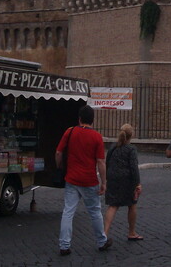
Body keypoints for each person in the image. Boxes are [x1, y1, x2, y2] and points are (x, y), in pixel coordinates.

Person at [56, 105, 111, 255]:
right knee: (95, 212)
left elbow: (59, 152)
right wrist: (104, 182)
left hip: (72, 179)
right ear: (92, 120)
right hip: (89, 180)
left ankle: (64, 245)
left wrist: (59, 167)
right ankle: (102, 241)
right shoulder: (96, 137)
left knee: (68, 211)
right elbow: (101, 162)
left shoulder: (70, 131)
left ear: (79, 118)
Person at [103, 124, 143, 241]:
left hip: (113, 177)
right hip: (127, 179)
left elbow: (107, 162)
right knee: (132, 204)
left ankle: (104, 234)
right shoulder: (131, 149)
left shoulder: (113, 147)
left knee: (113, 205)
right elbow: (134, 168)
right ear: (132, 135)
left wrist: (107, 177)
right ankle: (131, 232)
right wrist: (138, 183)